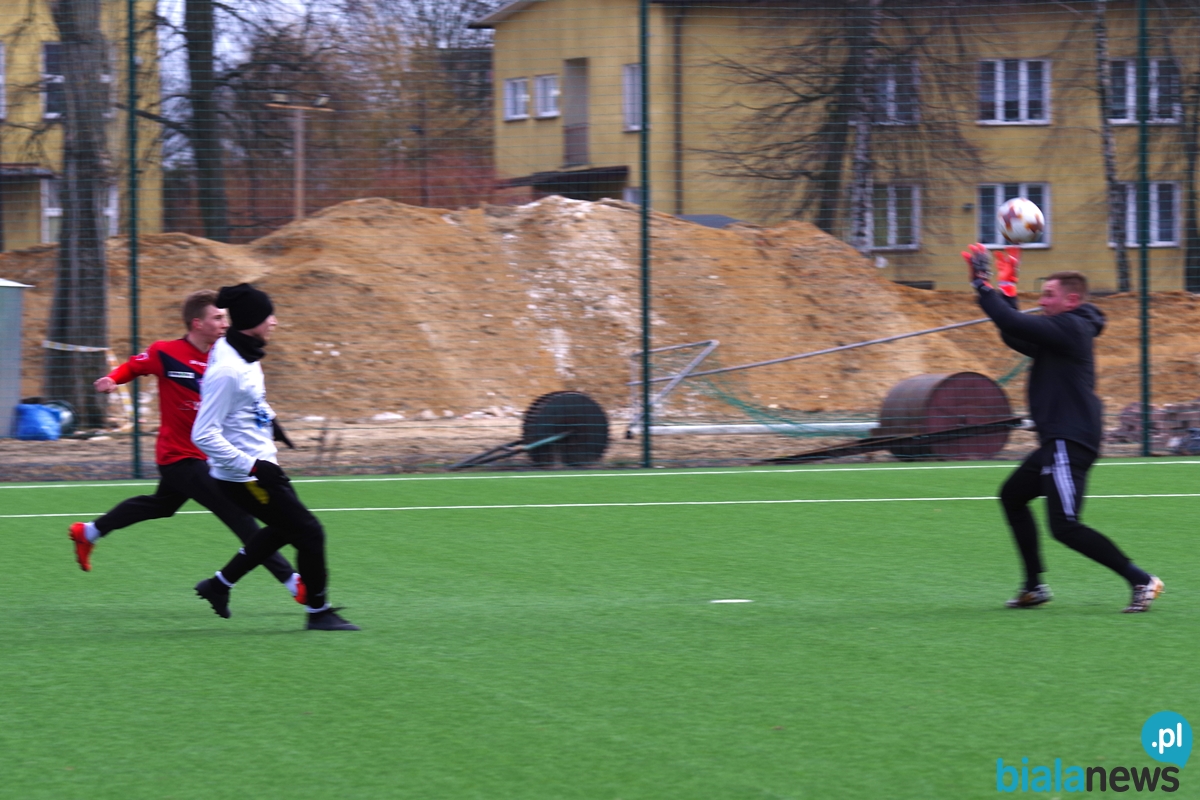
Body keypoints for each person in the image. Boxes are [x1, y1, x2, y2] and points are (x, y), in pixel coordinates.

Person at [67, 290, 305, 605]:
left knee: (161, 506)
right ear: (197, 323)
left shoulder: (225, 355)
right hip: (179, 456)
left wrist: (269, 422)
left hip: (209, 455)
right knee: (236, 513)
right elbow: (134, 367)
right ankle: (293, 583)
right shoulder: (165, 352)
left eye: (225, 317)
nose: (225, 323)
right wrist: (113, 379)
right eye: (217, 318)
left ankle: (88, 532)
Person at [965, 243, 1163, 613]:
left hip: (1068, 441)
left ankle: (1141, 579)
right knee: (1012, 496)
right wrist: (1006, 287)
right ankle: (1034, 586)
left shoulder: (1071, 328)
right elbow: (1012, 333)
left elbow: (1013, 323)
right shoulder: (1061, 331)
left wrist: (982, 283)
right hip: (1058, 441)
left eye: (1048, 295)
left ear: (1071, 300)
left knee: (1065, 526)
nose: (1041, 302)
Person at [191, 283, 358, 631]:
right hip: (247, 477)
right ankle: (318, 612)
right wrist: (253, 466)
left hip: (260, 465)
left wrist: (270, 419)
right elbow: (203, 434)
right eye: (269, 315)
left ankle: (218, 586)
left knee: (284, 528)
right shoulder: (228, 370)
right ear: (251, 321)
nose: (275, 322)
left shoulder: (243, 351)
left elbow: (249, 399)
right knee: (310, 533)